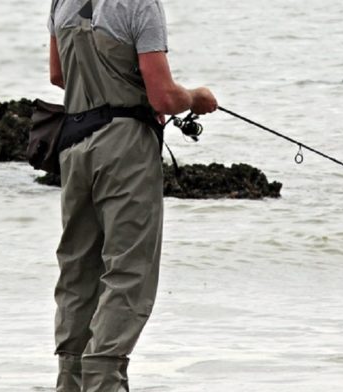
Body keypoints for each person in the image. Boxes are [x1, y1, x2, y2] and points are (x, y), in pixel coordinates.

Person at [47, 0, 217, 390]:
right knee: (128, 269)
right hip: (125, 146)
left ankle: (69, 380)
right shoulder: (140, 4)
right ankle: (104, 379)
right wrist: (196, 98)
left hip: (73, 144)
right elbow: (163, 97)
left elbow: (59, 75)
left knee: (78, 267)